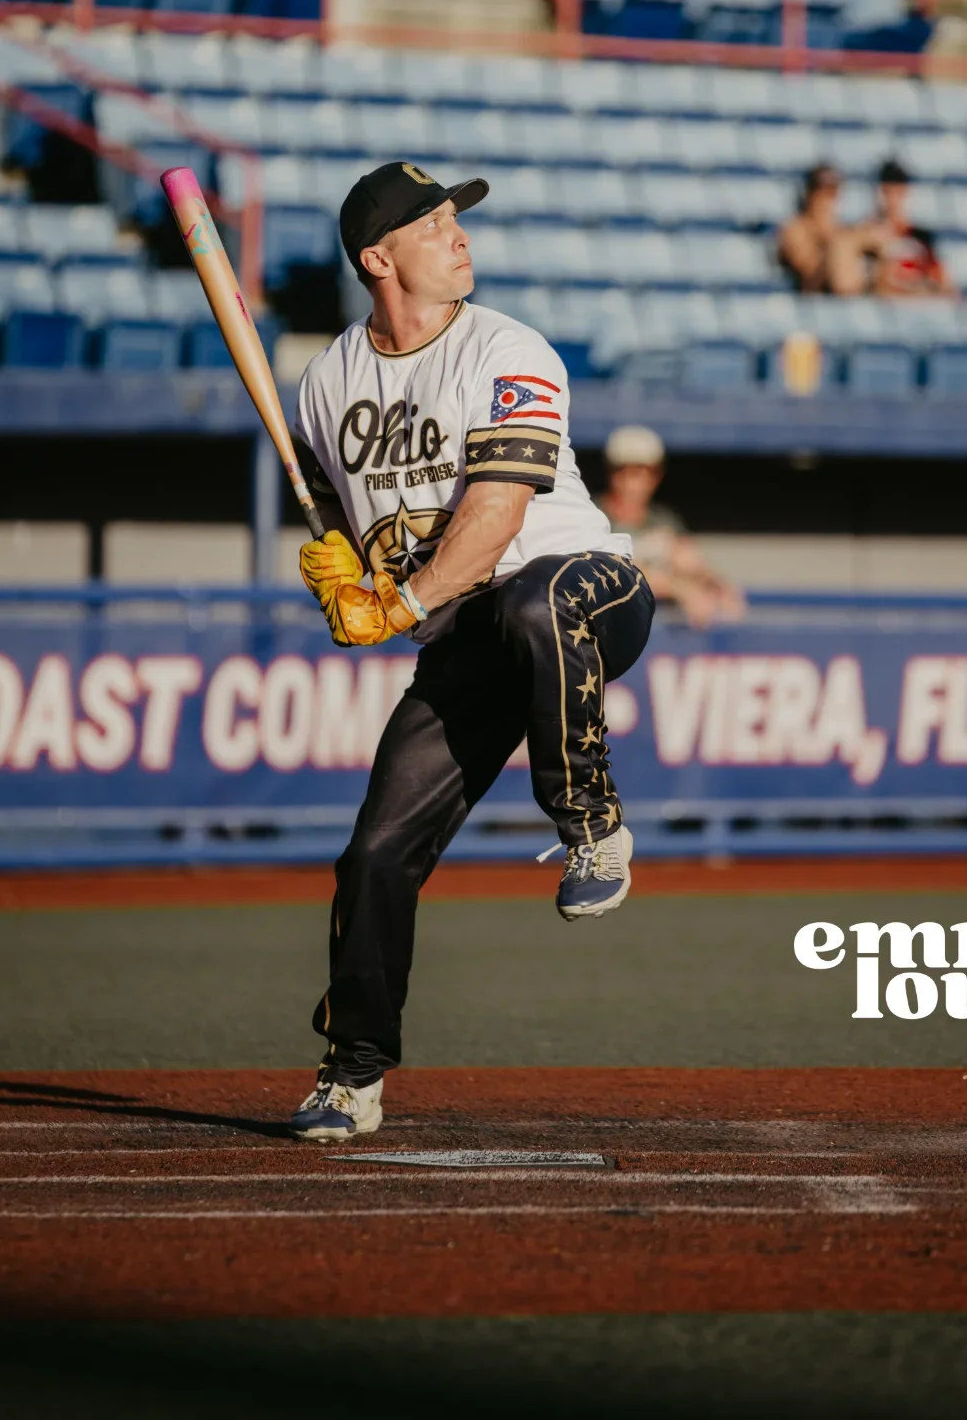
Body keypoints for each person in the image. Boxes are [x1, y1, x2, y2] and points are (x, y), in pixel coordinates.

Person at [288, 161, 654, 1142]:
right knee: (373, 853)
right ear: (378, 257)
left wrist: (394, 600)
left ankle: (591, 821)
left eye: (456, 218)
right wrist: (338, 573)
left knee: (536, 599)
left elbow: (493, 520)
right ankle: (352, 1070)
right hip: (462, 640)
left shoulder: (509, 346)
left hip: (583, 588)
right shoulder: (323, 385)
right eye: (432, 223)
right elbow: (343, 521)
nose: (458, 236)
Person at [598, 424, 745, 628]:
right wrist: (679, 589)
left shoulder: (663, 520)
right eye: (628, 472)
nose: (637, 482)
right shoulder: (595, 517)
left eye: (647, 472)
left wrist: (717, 585)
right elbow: (620, 572)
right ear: (613, 473)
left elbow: (690, 562)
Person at [862, 158, 955, 298]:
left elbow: (945, 286)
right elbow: (872, 287)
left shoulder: (921, 237)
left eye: (897, 192)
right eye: (886, 192)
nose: (891, 200)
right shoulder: (865, 238)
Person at [776, 163, 866, 296]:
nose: (826, 201)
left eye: (832, 194)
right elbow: (809, 272)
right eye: (821, 193)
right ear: (809, 195)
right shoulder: (795, 228)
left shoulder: (842, 229)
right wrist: (837, 245)